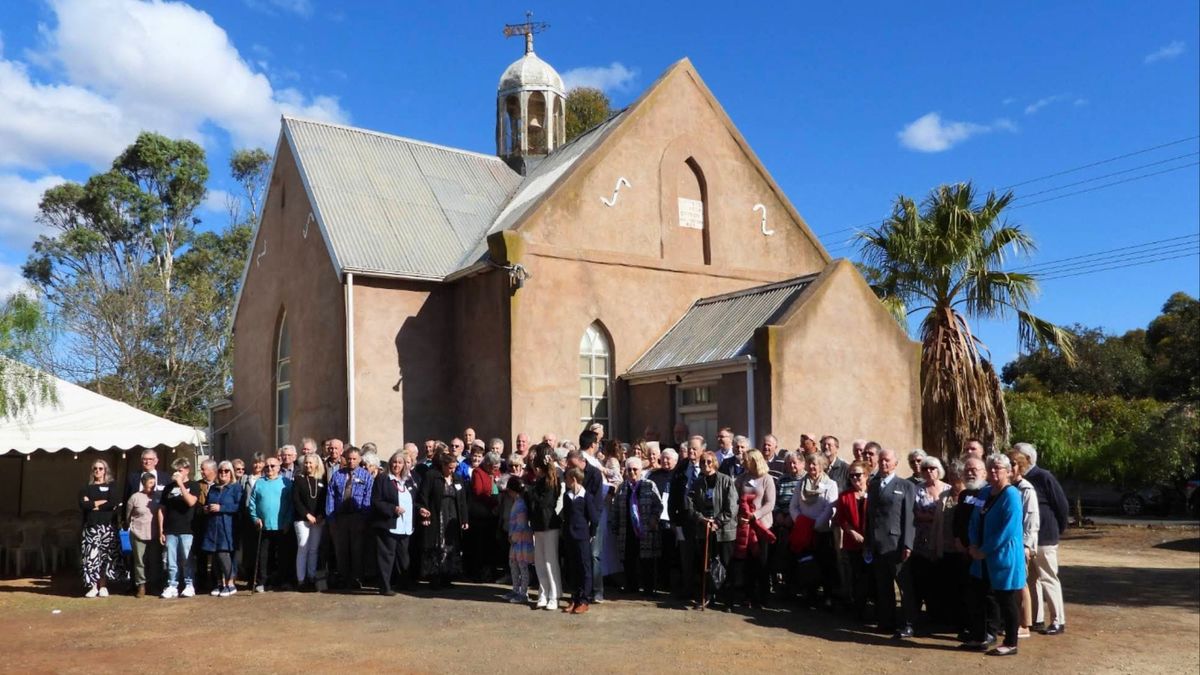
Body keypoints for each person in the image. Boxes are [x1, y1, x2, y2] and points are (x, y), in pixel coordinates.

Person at [968, 454, 1027, 657]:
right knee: (978, 596)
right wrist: (973, 544)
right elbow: (974, 519)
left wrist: (985, 550)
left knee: (1006, 600)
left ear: (1008, 471)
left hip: (1002, 557)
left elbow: (1008, 530)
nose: (993, 472)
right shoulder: (984, 492)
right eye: (991, 468)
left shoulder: (1011, 495)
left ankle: (1011, 642)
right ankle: (979, 637)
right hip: (980, 557)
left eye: (998, 468)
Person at [1013, 442, 1068, 635]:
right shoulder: (1017, 481)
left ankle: (1057, 621)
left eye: (1017, 456)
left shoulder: (1044, 476)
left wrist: (1058, 530)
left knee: (1048, 577)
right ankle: (1036, 619)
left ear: (1027, 459)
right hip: (1027, 540)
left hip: (1045, 537)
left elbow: (1061, 505)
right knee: (1031, 579)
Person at [866, 448, 917, 638]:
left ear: (895, 463)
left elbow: (909, 517)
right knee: (883, 586)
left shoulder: (905, 486)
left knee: (904, 588)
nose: (883, 464)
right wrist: (868, 541)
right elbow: (869, 517)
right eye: (881, 461)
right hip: (878, 544)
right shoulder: (874, 485)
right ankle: (886, 621)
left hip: (897, 544)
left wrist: (908, 544)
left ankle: (909, 623)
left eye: (887, 460)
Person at [688, 450, 737, 610]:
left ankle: (728, 600)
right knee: (705, 564)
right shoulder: (697, 483)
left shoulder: (726, 481)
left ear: (715, 463)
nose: (706, 465)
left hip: (723, 531)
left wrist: (717, 522)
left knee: (725, 564)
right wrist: (701, 519)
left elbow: (731, 507)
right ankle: (707, 597)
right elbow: (690, 504)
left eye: (709, 462)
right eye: (703, 462)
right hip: (704, 528)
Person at [789, 452, 839, 609]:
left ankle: (828, 597)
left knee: (825, 565)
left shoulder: (830, 484)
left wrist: (816, 524)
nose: (811, 467)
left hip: (822, 532)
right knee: (807, 564)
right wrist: (801, 522)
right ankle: (809, 596)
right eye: (810, 463)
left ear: (822, 466)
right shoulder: (801, 484)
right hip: (804, 533)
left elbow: (830, 507)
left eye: (815, 464)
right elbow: (793, 506)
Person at [610, 456, 664, 596]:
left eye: (635, 469)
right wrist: (615, 526)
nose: (632, 472)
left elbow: (658, 505)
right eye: (629, 470)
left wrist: (654, 518)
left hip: (645, 529)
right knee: (628, 560)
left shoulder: (649, 485)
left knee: (647, 560)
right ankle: (631, 586)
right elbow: (615, 508)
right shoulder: (622, 488)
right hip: (626, 529)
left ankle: (648, 588)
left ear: (641, 470)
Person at [416, 451, 470, 588]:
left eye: (454, 467)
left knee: (451, 546)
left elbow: (463, 501)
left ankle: (448, 576)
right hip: (436, 516)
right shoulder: (432, 476)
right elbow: (424, 496)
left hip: (452, 516)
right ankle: (434, 577)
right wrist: (424, 513)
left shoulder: (457, 479)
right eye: (450, 467)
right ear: (443, 465)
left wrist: (464, 519)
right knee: (437, 546)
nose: (452, 470)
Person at [732, 450, 776, 609]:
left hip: (761, 526)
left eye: (746, 460)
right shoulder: (742, 478)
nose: (743, 462)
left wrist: (754, 515)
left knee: (762, 562)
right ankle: (748, 595)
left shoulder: (767, 479)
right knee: (747, 562)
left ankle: (763, 597)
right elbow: (734, 497)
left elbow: (770, 504)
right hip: (745, 526)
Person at [325, 446, 373, 589]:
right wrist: (331, 517)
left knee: (357, 549)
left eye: (354, 459)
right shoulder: (338, 475)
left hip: (358, 517)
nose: (351, 462)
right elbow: (331, 496)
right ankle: (343, 577)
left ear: (359, 460)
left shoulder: (366, 476)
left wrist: (364, 517)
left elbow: (368, 497)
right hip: (340, 518)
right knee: (341, 549)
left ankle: (357, 578)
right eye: (349, 459)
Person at [911, 456, 950, 624]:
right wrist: (935, 516)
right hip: (921, 541)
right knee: (922, 577)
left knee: (940, 577)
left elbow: (948, 514)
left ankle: (939, 613)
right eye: (925, 468)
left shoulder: (947, 489)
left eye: (932, 468)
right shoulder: (917, 489)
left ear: (939, 470)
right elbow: (915, 513)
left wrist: (929, 516)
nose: (929, 471)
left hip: (942, 539)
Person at [79, 460, 125, 597]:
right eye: (95, 468)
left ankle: (103, 585)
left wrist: (93, 504)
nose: (98, 471)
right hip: (91, 527)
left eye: (101, 468)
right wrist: (102, 503)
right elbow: (83, 505)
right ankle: (93, 586)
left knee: (106, 556)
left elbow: (113, 503)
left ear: (105, 470)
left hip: (107, 527)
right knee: (91, 557)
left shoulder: (112, 486)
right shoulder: (86, 488)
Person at [1008, 450, 1041, 639]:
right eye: (1008, 463)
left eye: (1014, 463)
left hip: (1021, 545)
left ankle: (1025, 624)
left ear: (1020, 466)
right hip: (1009, 544)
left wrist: (1026, 546)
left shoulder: (1026, 489)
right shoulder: (1007, 487)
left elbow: (1031, 521)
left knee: (1022, 584)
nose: (1011, 467)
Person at [525, 444, 563, 609]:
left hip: (549, 525)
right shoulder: (538, 483)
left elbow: (545, 503)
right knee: (540, 560)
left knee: (550, 561)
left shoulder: (552, 482)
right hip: (538, 525)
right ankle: (543, 592)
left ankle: (554, 595)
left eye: (537, 468)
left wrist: (529, 492)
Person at [248, 456, 293, 592]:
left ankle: (284, 581)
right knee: (264, 556)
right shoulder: (259, 483)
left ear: (279, 467)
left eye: (273, 466)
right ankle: (262, 581)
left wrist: (287, 521)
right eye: (267, 466)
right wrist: (255, 518)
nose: (270, 469)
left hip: (281, 526)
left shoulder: (286, 482)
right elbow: (252, 503)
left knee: (283, 555)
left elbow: (291, 504)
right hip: (264, 526)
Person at [372, 453, 414, 596]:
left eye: (400, 463)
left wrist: (420, 510)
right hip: (388, 524)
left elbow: (412, 501)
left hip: (405, 526)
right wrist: (393, 509)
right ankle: (384, 586)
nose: (397, 465)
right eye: (394, 462)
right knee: (386, 557)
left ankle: (404, 583)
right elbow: (376, 501)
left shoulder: (406, 481)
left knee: (403, 556)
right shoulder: (383, 479)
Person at [834, 460, 872, 619]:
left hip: (872, 543)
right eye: (852, 476)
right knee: (857, 577)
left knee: (872, 577)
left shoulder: (875, 493)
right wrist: (852, 533)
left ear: (867, 475)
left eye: (858, 475)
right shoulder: (845, 496)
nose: (855, 478)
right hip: (853, 543)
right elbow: (840, 519)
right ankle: (859, 610)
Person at [158, 457, 199, 599]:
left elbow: (191, 502)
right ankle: (172, 584)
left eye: (180, 470)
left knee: (186, 559)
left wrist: (181, 484)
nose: (177, 473)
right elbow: (161, 510)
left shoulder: (193, 485)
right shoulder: (168, 488)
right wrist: (161, 530)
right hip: (170, 529)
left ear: (187, 470)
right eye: (175, 470)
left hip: (187, 529)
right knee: (171, 559)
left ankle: (189, 584)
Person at [201, 461, 242, 597]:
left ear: (231, 473)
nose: (223, 473)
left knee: (223, 554)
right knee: (214, 555)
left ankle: (230, 583)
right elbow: (207, 503)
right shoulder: (213, 488)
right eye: (221, 471)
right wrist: (206, 509)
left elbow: (239, 507)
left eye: (226, 471)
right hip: (213, 526)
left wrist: (221, 508)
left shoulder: (236, 488)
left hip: (228, 526)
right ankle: (220, 583)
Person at [669, 436, 703, 601]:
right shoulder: (681, 467)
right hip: (683, 519)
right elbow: (673, 494)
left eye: (695, 448)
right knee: (686, 556)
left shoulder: (707, 465)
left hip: (702, 519)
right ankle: (687, 589)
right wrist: (672, 518)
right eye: (689, 448)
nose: (691, 451)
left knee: (701, 556)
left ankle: (702, 591)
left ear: (702, 449)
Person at [561, 467, 599, 614]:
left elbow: (594, 519)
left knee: (585, 568)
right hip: (569, 536)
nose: (566, 481)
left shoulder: (586, 496)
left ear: (574, 479)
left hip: (582, 536)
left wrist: (591, 534)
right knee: (573, 568)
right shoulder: (567, 496)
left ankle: (584, 599)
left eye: (567, 479)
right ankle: (575, 598)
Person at [292, 452, 327, 590]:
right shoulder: (299, 479)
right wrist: (307, 515)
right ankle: (301, 579)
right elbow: (296, 500)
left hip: (318, 520)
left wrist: (320, 515)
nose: (308, 465)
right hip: (302, 519)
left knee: (313, 549)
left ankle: (311, 576)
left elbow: (324, 500)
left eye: (310, 463)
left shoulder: (322, 480)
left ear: (316, 464)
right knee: (303, 547)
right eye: (306, 463)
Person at [771, 450, 802, 598]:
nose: (792, 465)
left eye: (794, 462)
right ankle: (784, 586)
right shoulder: (781, 480)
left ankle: (796, 587)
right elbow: (775, 500)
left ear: (802, 464)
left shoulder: (804, 480)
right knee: (782, 556)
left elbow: (803, 503)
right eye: (789, 463)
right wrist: (778, 514)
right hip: (781, 521)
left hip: (796, 522)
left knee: (796, 556)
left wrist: (791, 516)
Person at [468, 449, 501, 582]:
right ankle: (480, 574)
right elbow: (479, 492)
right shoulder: (478, 472)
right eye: (494, 468)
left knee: (492, 546)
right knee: (481, 547)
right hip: (481, 516)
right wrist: (494, 500)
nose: (496, 470)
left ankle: (491, 572)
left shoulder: (495, 472)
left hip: (493, 516)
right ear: (487, 465)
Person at [125, 472, 161, 598]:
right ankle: (141, 585)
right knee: (140, 561)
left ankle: (154, 584)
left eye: (154, 482)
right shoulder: (135, 497)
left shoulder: (158, 496)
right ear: (143, 483)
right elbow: (128, 516)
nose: (152, 485)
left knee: (154, 560)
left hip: (155, 534)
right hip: (138, 533)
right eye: (150, 482)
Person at [504, 477, 534, 603]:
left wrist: (513, 537)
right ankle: (516, 589)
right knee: (514, 564)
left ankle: (523, 592)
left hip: (520, 539)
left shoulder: (521, 504)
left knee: (522, 566)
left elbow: (521, 524)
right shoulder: (517, 502)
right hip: (516, 539)